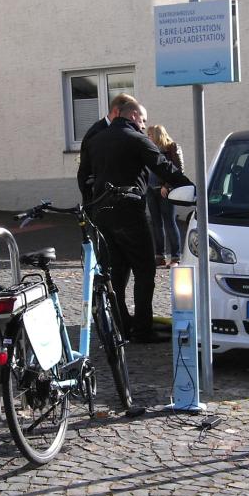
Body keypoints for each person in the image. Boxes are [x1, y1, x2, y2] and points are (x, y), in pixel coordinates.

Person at [79, 98, 191, 343]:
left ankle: (120, 326)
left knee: (116, 273)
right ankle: (142, 329)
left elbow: (83, 176)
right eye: (142, 120)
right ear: (132, 116)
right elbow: (163, 167)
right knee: (144, 269)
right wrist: (191, 189)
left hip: (102, 214)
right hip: (129, 212)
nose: (144, 125)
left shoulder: (95, 140)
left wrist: (91, 206)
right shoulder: (137, 139)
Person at [76, 92, 136, 202]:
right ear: (117, 112)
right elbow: (93, 167)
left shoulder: (114, 130)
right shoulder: (97, 132)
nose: (132, 119)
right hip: (98, 193)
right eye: (129, 115)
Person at [145, 124, 184, 267]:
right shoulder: (149, 149)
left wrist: (166, 185)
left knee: (170, 222)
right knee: (156, 224)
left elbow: (178, 170)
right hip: (151, 189)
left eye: (149, 134)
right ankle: (160, 256)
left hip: (166, 191)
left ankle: (175, 257)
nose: (147, 137)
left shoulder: (171, 148)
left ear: (157, 135)